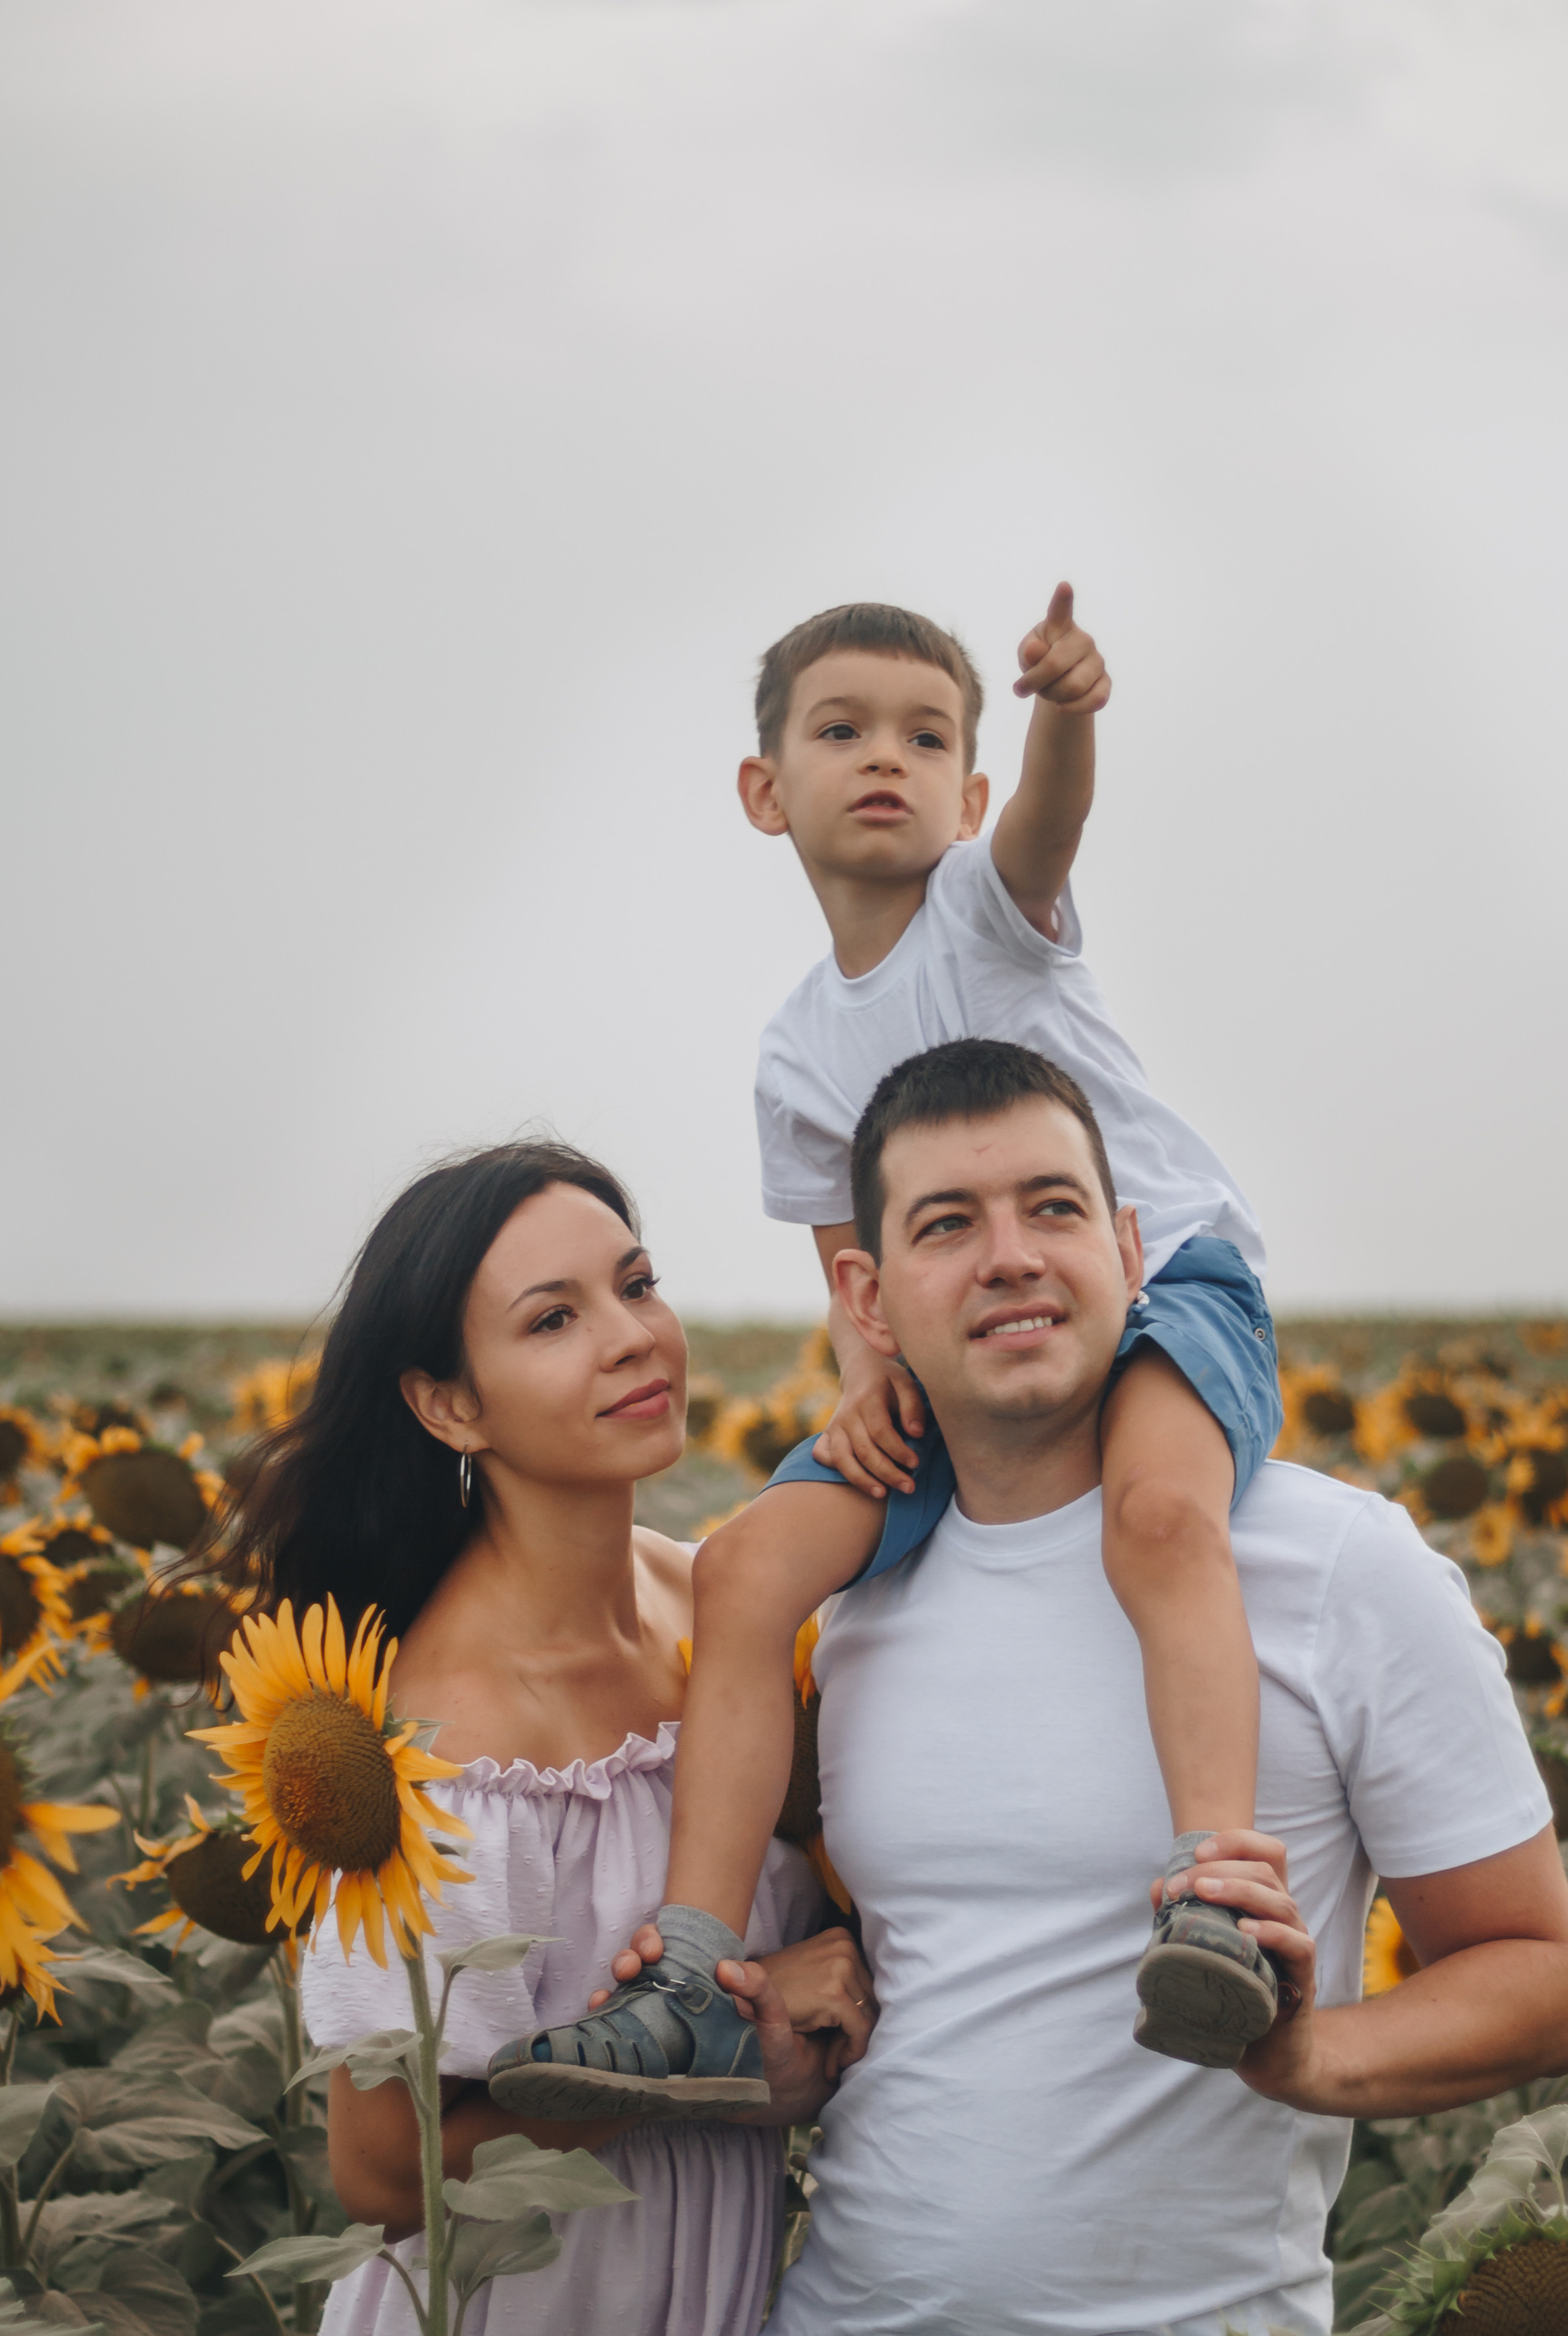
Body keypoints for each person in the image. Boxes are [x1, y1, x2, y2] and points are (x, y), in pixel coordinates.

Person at [727, 1040, 1568, 2336]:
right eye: (945, 1224)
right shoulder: (849, 1601)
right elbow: (918, 1952)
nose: (1009, 1257)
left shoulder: (1333, 1569)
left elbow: (1540, 1977)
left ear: (1130, 1250)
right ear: (865, 1301)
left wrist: (1310, 2054)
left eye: (1051, 1206)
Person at [487, 590, 1285, 2127]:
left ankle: (1216, 1896)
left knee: (1162, 1518)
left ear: (969, 796)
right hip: (941, 1346)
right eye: (839, 730)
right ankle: (697, 1974)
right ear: (762, 789)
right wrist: (866, 1384)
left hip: (1161, 1289)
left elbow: (1052, 827)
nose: (885, 761)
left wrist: (1066, 710)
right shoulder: (797, 1048)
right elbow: (843, 1251)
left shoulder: (984, 913)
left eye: (928, 738)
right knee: (743, 1570)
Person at [205, 1141, 875, 2336]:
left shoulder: (728, 1615)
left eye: (635, 1284)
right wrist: (716, 2076)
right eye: (552, 1317)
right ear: (449, 1404)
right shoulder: (429, 1738)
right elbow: (381, 2166)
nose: (632, 1334)